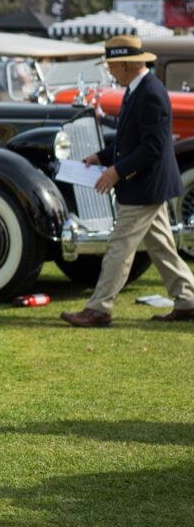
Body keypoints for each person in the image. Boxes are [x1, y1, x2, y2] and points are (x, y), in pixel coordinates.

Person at [61, 35, 194, 327]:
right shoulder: (139, 90)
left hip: (145, 187)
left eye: (111, 65)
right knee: (161, 246)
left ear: (124, 65)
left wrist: (118, 171)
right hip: (147, 185)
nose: (109, 71)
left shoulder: (150, 93)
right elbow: (131, 142)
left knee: (119, 247)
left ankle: (99, 308)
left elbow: (154, 147)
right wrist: (102, 156)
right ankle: (188, 300)